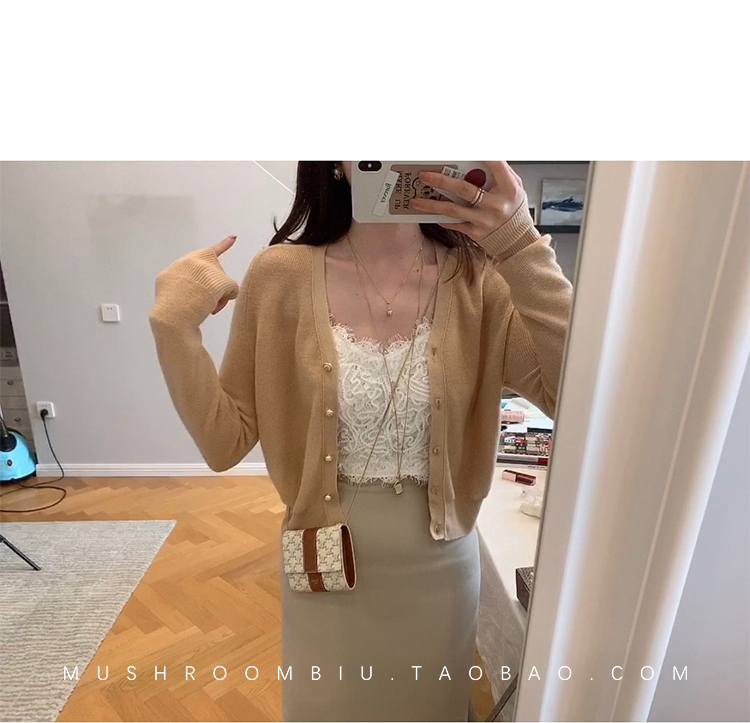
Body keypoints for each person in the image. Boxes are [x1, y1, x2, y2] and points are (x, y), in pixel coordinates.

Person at [148, 161, 573, 721]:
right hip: (323, 565)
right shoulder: (279, 276)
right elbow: (224, 442)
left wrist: (520, 245)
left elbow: (573, 397)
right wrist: (175, 331)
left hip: (442, 571)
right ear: (335, 161)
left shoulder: (480, 280)